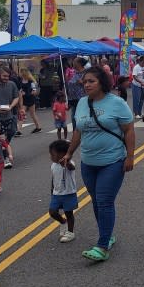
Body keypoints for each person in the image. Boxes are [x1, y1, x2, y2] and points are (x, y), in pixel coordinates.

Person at [60, 67, 135, 261]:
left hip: (112, 161)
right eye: (84, 82)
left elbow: (128, 131)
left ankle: (102, 246)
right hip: (88, 162)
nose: (86, 85)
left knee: (104, 201)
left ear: (102, 82)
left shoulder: (117, 103)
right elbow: (78, 130)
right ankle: (107, 236)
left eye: (91, 81)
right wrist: (69, 153)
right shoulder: (83, 103)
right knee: (96, 201)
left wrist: (130, 157)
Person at [48, 139, 78, 243]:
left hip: (69, 193)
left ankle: (70, 233)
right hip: (57, 193)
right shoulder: (53, 165)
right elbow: (54, 178)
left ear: (63, 154)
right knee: (52, 212)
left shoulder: (70, 163)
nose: (51, 157)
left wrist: (67, 162)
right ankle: (62, 221)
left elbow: (72, 168)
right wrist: (52, 189)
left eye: (53, 155)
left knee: (69, 213)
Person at [66, 58, 87, 130]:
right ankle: (76, 134)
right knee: (74, 118)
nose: (73, 63)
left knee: (81, 117)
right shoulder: (74, 72)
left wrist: (82, 82)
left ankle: (82, 133)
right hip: (73, 99)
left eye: (74, 62)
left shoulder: (86, 73)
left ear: (79, 64)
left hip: (82, 98)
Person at [19, 68, 42, 134]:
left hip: (30, 99)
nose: (20, 74)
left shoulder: (31, 82)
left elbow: (34, 92)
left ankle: (38, 127)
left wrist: (25, 93)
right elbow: (20, 89)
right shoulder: (20, 81)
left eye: (21, 72)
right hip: (23, 99)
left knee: (32, 114)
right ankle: (19, 130)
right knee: (22, 114)